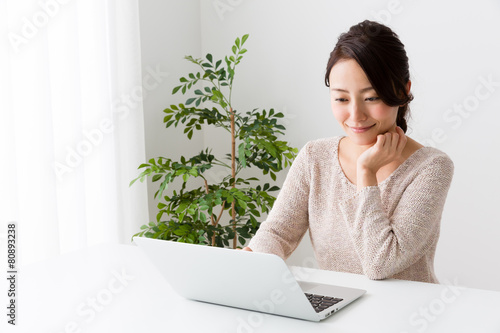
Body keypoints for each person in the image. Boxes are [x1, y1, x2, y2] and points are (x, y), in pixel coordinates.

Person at [242, 20, 454, 284]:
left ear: (403, 91)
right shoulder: (314, 157)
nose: (355, 115)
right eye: (341, 98)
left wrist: (366, 173)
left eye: (371, 98)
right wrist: (243, 264)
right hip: (336, 312)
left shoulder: (431, 167)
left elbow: (380, 264)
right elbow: (277, 234)